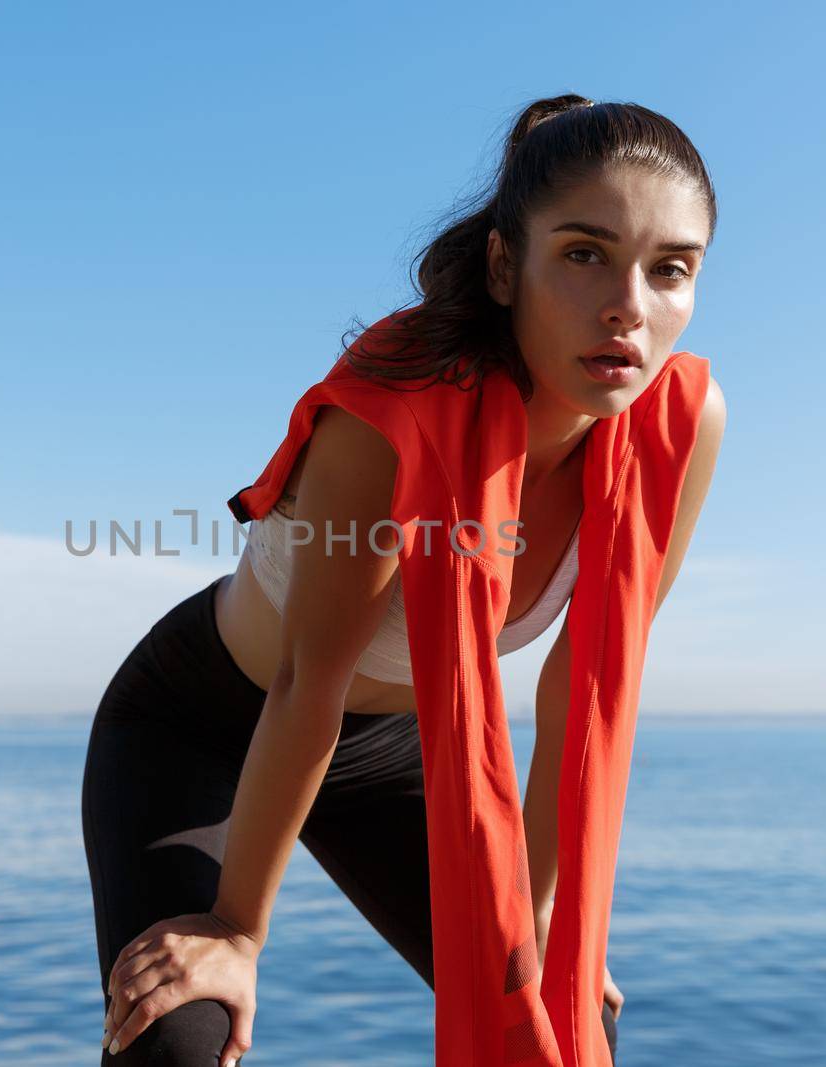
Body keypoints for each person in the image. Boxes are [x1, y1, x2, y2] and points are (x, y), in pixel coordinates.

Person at [82, 93, 726, 1066]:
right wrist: (237, 931)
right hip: (208, 717)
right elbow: (308, 682)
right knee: (176, 1038)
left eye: (669, 269)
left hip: (390, 748)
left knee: (561, 1020)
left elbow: (582, 693)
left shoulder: (680, 424)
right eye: (585, 252)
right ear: (507, 266)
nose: (629, 307)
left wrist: (543, 919)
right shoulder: (398, 406)